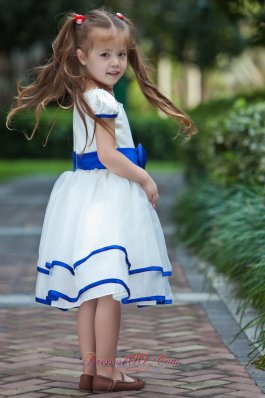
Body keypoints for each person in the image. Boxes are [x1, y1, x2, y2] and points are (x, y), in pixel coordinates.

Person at [6, 7, 197, 394]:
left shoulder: (84, 95)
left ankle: (91, 371)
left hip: (83, 197)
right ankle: (107, 372)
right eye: (104, 55)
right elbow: (110, 156)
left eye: (121, 55)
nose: (115, 63)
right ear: (81, 56)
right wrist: (145, 178)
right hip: (107, 199)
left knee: (91, 291)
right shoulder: (104, 101)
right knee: (108, 288)